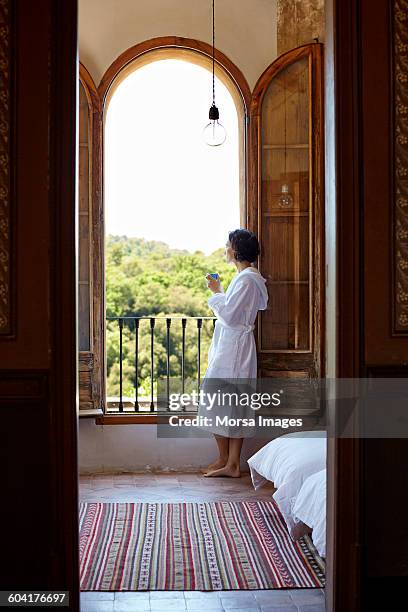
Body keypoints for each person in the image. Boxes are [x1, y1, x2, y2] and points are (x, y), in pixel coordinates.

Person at [200, 229, 268, 478]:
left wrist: (216, 291)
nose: (225, 248)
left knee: (228, 402)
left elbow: (229, 315)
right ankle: (225, 460)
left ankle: (231, 463)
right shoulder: (246, 278)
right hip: (233, 346)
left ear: (236, 250)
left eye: (228, 244)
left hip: (235, 350)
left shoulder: (248, 280)